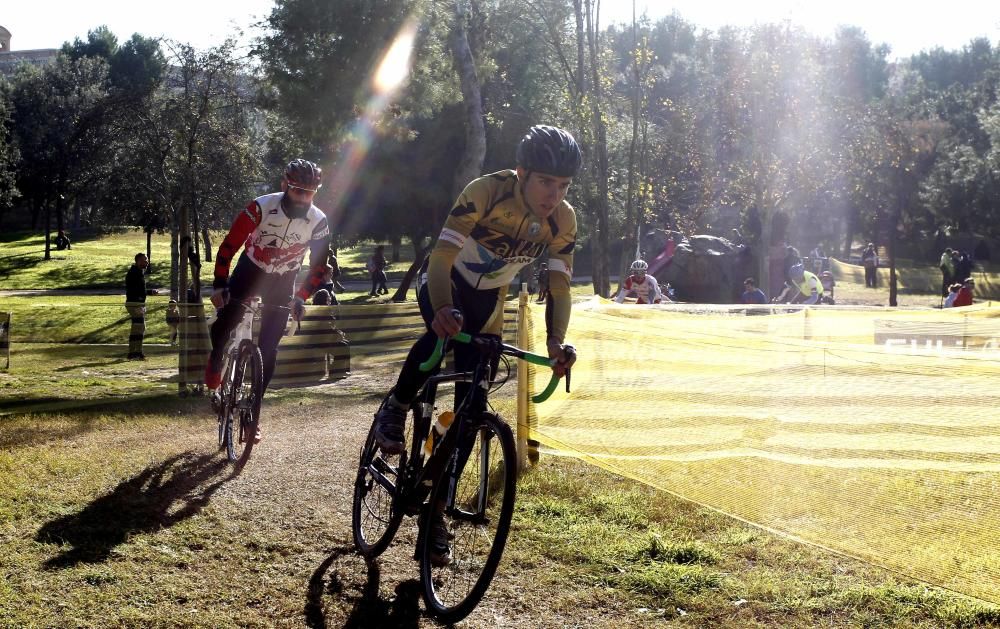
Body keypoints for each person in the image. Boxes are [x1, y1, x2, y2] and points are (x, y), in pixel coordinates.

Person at [371, 125, 580, 566]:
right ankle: (398, 403)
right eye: (545, 182)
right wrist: (444, 308)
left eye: (563, 186)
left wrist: (558, 341)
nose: (553, 195)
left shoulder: (562, 220)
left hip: (488, 301)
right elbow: (443, 257)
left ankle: (436, 513)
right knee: (437, 335)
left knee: (471, 408)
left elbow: (559, 286)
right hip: (446, 282)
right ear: (522, 173)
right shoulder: (486, 191)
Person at [205, 159, 331, 441]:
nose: (304, 198)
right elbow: (228, 246)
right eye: (298, 191)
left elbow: (319, 266)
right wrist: (220, 284)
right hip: (250, 271)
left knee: (270, 350)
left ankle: (252, 414)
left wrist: (301, 297)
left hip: (283, 281)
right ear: (285, 185)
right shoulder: (260, 207)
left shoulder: (318, 221)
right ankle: (216, 358)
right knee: (226, 320)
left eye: (310, 193)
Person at [125, 253, 150, 360]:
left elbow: (140, 290)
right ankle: (135, 353)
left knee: (139, 328)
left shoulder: (139, 272)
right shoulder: (134, 273)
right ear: (138, 261)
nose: (147, 262)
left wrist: (150, 292)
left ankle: (135, 352)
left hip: (138, 304)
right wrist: (139, 305)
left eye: (147, 260)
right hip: (135, 304)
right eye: (145, 260)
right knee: (138, 328)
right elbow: (132, 290)